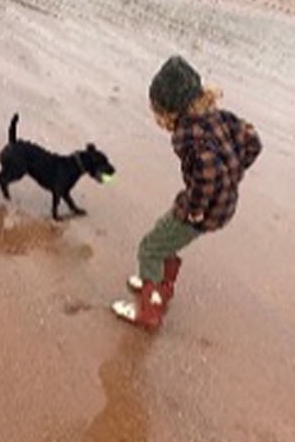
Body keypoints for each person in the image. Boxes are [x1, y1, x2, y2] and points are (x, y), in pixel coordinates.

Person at [112, 55, 262, 329]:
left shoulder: (189, 136)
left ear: (171, 111)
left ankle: (149, 310)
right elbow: (253, 142)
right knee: (166, 236)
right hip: (225, 204)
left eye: (158, 111)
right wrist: (234, 172)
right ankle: (162, 288)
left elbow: (206, 175)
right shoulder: (221, 117)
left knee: (150, 248)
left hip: (204, 209)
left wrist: (195, 210)